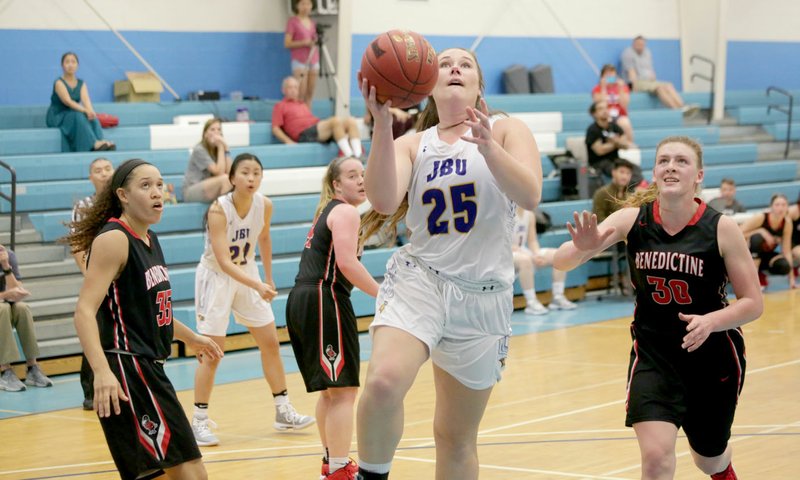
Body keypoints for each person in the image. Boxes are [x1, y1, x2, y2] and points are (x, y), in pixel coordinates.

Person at [355, 47, 542, 479]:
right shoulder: (412, 144)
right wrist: (382, 126)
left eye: (466, 64)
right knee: (383, 382)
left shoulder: (508, 129)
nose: (455, 67)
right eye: (444, 63)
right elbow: (383, 201)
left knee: (454, 437)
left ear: (479, 86)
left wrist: (490, 149)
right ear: (426, 84)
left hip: (483, 297)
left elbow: (531, 194)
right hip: (421, 280)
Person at [553, 136, 763, 480]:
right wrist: (582, 249)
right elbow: (562, 262)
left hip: (712, 357)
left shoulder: (721, 228)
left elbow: (754, 303)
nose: (671, 166)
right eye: (664, 160)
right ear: (654, 172)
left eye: (681, 161)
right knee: (656, 457)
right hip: (654, 355)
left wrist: (711, 321)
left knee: (709, 459)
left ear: (698, 175)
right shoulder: (632, 219)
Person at [67, 159, 224, 480]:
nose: (157, 193)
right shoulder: (114, 239)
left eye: (159, 184)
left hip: (148, 367)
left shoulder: (150, 239)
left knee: (158, 473)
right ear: (123, 195)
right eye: (146, 186)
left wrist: (190, 337)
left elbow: (151, 310)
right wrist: (101, 373)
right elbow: (84, 311)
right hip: (127, 370)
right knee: (191, 473)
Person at [191, 153, 314, 447]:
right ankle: (198, 421)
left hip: (248, 272)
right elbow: (222, 261)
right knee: (212, 352)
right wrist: (258, 284)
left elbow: (265, 239)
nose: (251, 178)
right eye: (245, 172)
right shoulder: (218, 210)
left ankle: (283, 411)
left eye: (256, 173)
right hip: (216, 278)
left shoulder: (265, 204)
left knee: (270, 342)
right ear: (232, 178)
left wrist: (268, 278)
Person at [286, 156, 380, 480]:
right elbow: (348, 264)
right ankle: (340, 470)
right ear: (336, 184)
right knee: (343, 391)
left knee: (331, 391)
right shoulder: (345, 211)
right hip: (324, 299)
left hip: (303, 299)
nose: (361, 180)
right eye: (352, 175)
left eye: (363, 174)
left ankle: (332, 463)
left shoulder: (327, 212)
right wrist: (384, 296)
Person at [71, 157, 115, 409]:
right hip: (97, 275)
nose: (103, 174)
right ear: (91, 177)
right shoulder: (83, 206)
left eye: (107, 169)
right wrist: (88, 274)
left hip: (118, 274)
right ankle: (89, 390)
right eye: (97, 170)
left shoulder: (121, 203)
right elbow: (78, 243)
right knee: (94, 329)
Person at [0, 244, 53, 392]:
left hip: (3, 304)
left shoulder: (7, 255)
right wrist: (5, 296)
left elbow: (17, 289)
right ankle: (5, 371)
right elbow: (8, 294)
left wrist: (5, 266)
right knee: (3, 309)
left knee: (22, 308)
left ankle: (32, 367)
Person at [272, 76, 364, 158]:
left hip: (316, 129)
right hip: (304, 134)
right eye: (290, 87)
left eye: (295, 87)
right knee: (335, 121)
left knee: (350, 121)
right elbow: (275, 128)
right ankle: (350, 156)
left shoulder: (302, 104)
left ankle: (359, 155)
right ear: (283, 90)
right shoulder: (280, 106)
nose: (293, 90)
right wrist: (288, 141)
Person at [45, 52, 115, 152]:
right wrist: (85, 111)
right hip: (58, 116)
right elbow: (68, 102)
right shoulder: (59, 82)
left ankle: (101, 142)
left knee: (92, 117)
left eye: (73, 62)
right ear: (62, 65)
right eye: (67, 62)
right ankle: (93, 143)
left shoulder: (81, 83)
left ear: (77, 65)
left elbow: (86, 101)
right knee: (78, 115)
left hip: (73, 112)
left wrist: (90, 112)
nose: (70, 65)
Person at [512, 208, 577, 315]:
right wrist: (530, 256)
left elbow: (532, 241)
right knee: (525, 260)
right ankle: (531, 302)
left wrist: (536, 254)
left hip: (523, 250)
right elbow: (500, 243)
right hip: (505, 253)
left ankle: (558, 297)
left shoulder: (530, 214)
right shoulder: (505, 212)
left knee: (558, 255)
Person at [592, 159, 636, 295]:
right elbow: (598, 220)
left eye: (628, 173)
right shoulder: (602, 193)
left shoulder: (632, 195)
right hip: (610, 237)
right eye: (622, 172)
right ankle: (629, 280)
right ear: (613, 173)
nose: (624, 176)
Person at [739, 193, 794, 290]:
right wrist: (760, 231)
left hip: (765, 255)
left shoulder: (787, 223)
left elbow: (787, 250)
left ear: (787, 207)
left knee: (784, 266)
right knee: (757, 238)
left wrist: (792, 279)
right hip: (748, 254)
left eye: (783, 205)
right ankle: (753, 279)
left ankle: (761, 273)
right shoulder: (761, 217)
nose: (780, 208)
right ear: (771, 207)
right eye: (777, 205)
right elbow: (737, 234)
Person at [621, 36, 691, 111]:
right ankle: (676, 110)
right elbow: (632, 75)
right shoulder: (628, 53)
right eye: (639, 44)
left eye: (642, 44)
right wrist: (634, 89)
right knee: (659, 88)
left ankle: (683, 106)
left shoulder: (647, 52)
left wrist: (654, 81)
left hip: (649, 82)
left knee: (668, 85)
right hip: (637, 82)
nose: (641, 46)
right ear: (634, 44)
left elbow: (651, 69)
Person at [183, 118, 233, 203]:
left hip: (210, 187)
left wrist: (226, 150)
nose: (216, 132)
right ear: (205, 134)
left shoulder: (218, 150)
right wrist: (221, 147)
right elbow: (219, 173)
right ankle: (224, 212)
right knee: (224, 179)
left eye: (219, 129)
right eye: (212, 129)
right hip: (192, 190)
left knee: (233, 180)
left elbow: (231, 174)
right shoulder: (199, 149)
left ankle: (224, 211)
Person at [585, 100, 635, 178]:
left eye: (606, 108)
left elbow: (625, 145)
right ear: (594, 113)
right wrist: (617, 143)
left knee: (634, 169)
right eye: (600, 109)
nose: (605, 111)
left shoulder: (614, 126)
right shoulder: (592, 130)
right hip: (599, 163)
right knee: (621, 173)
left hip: (615, 160)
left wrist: (613, 142)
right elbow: (600, 151)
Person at [285, 0, 319, 106]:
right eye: (303, 4)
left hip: (313, 59)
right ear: (297, 6)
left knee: (310, 93)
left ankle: (308, 117)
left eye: (308, 4)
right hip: (300, 60)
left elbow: (315, 39)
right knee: (301, 92)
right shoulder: (292, 22)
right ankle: (298, 118)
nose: (306, 7)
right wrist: (303, 42)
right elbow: (287, 43)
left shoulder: (312, 23)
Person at [592, 64, 634, 141]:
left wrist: (621, 88)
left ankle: (630, 144)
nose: (609, 76)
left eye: (611, 73)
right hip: (605, 116)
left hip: (619, 115)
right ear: (602, 76)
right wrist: (603, 88)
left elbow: (624, 105)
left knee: (625, 123)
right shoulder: (597, 89)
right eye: (607, 74)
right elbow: (599, 104)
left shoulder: (623, 88)